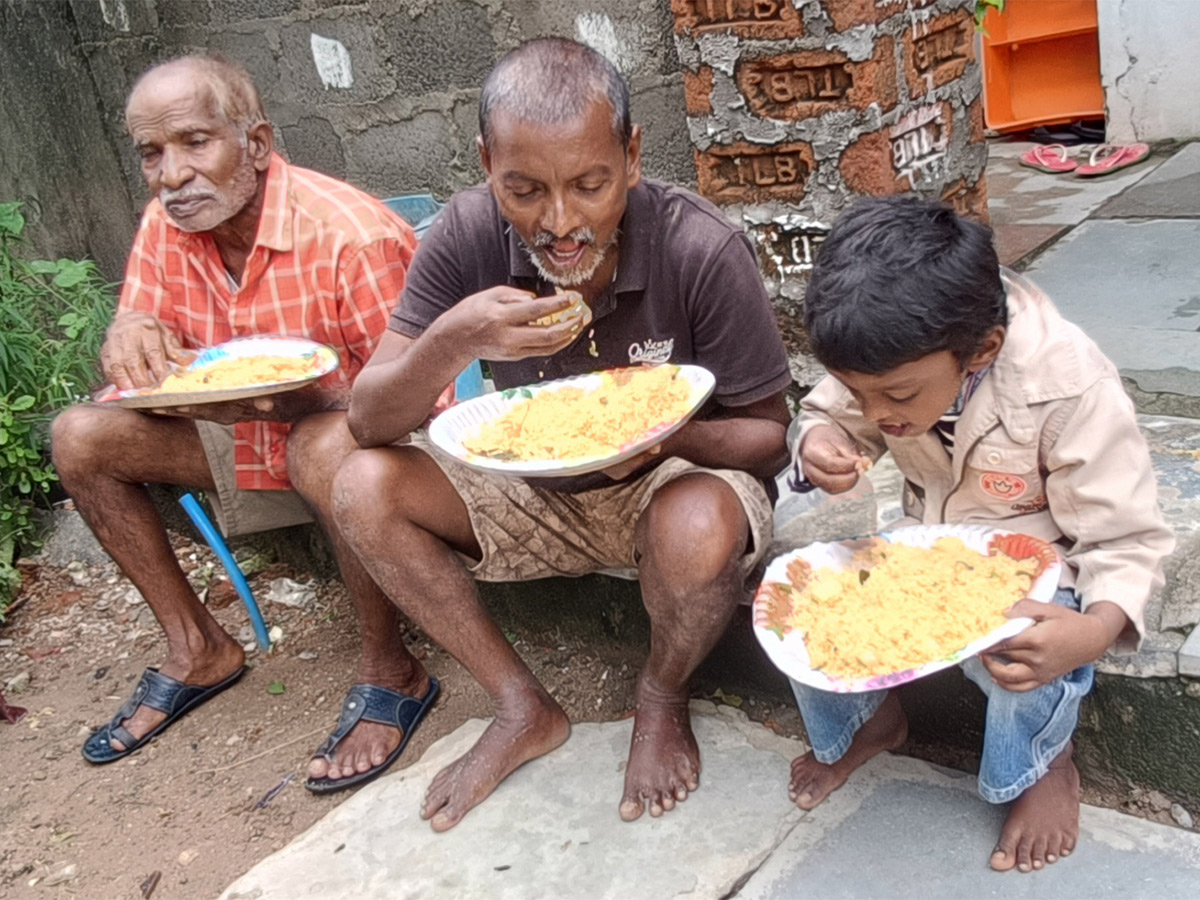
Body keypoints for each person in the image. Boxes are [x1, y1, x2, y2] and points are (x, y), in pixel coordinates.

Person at [328, 37, 793, 828]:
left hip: (665, 482)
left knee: (699, 524)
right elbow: (368, 420)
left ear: (633, 156)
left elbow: (769, 437)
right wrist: (453, 340)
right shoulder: (469, 236)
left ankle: (661, 694)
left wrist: (667, 438)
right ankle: (520, 705)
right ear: (485, 165)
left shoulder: (698, 247)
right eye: (524, 189)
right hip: (527, 486)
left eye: (590, 184)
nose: (561, 223)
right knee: (359, 483)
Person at [50, 56, 439, 781]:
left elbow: (422, 404)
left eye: (195, 142)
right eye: (151, 153)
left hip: (368, 457)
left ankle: (393, 669)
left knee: (327, 443)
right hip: (243, 442)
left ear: (256, 145)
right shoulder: (167, 227)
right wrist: (128, 328)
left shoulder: (351, 235)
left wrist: (300, 403)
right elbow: (142, 330)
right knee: (79, 436)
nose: (171, 174)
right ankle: (198, 647)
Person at [786, 196, 1173, 873]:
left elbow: (1127, 538)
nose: (876, 413)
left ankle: (1043, 762)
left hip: (1036, 569)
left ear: (983, 351)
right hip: (927, 543)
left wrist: (1096, 629)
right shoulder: (891, 353)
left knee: (1029, 648)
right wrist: (821, 440)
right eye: (860, 391)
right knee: (809, 605)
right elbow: (833, 410)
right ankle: (870, 723)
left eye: (898, 398)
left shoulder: (1068, 385)